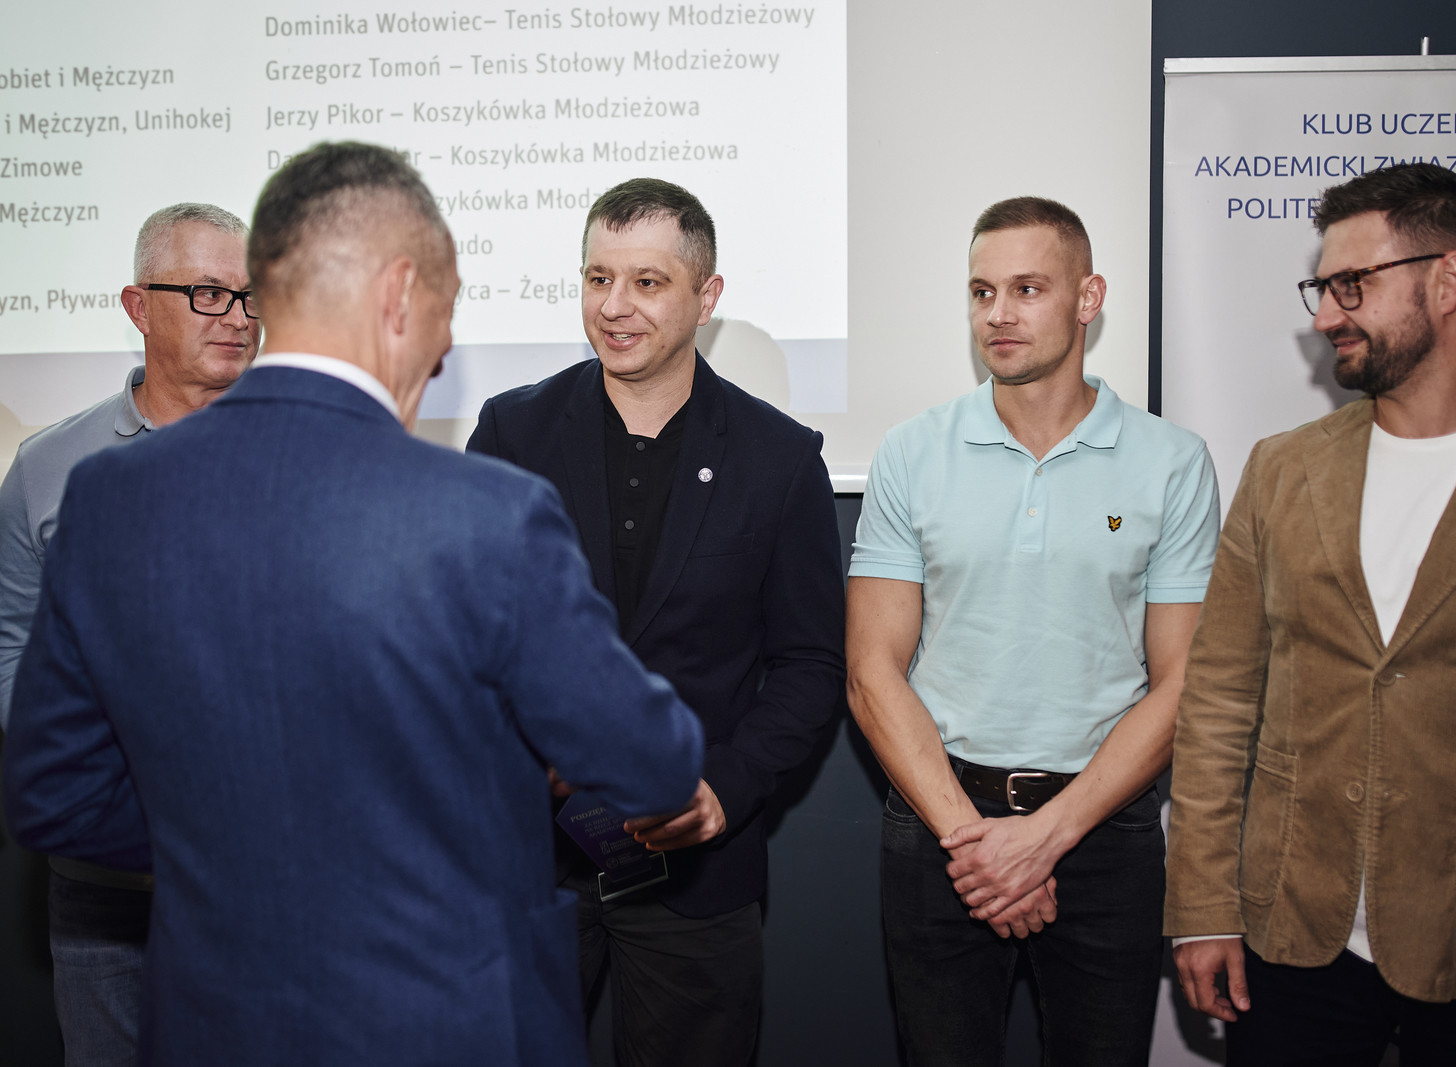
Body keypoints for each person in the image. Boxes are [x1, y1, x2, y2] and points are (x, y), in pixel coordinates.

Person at [2, 141, 705, 1066]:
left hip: (213, 1015)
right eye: (448, 310)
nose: (445, 348)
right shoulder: (489, 515)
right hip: (444, 1017)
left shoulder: (106, 497)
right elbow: (654, 762)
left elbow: (51, 794)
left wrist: (232, 842)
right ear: (400, 294)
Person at [1165, 162, 1456, 1067]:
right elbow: (1217, 703)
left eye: (1352, 285)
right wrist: (1203, 905)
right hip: (1292, 940)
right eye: (1323, 289)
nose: (1326, 315)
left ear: (1448, 280)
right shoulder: (1281, 469)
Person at [468, 177, 844, 1067]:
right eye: (598, 278)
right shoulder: (513, 431)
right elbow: (465, 633)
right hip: (527, 861)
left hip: (697, 871)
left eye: (646, 282)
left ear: (706, 298)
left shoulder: (781, 458)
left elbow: (810, 666)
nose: (614, 306)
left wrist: (723, 790)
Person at [847, 196, 1220, 1065]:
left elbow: (1184, 683)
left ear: (1089, 298)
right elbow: (871, 671)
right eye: (981, 292)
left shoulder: (1171, 462)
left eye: (1026, 289)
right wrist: (977, 845)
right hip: (942, 824)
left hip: (1105, 831)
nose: (998, 315)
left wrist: (1046, 837)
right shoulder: (911, 451)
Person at [0, 201, 260, 1066]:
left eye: (252, 295)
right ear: (138, 306)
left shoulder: (308, 457)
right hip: (102, 887)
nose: (238, 317)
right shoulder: (49, 466)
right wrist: (88, 770)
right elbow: (10, 642)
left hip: (263, 878)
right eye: (209, 293)